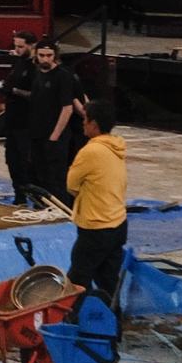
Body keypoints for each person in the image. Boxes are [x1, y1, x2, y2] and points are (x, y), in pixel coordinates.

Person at [64, 98, 128, 314]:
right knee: (108, 280)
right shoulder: (116, 148)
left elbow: (72, 185)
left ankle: (78, 321)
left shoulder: (90, 151)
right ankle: (111, 324)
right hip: (118, 224)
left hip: (96, 226)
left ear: (94, 124)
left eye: (85, 120)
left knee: (77, 279)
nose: (83, 123)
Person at [26, 40, 85, 203]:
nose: (46, 59)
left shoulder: (63, 75)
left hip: (55, 137)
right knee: (40, 175)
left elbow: (68, 108)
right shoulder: (37, 73)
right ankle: (43, 209)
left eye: (49, 56)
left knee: (56, 177)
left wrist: (54, 136)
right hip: (38, 134)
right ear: (36, 55)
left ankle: (61, 211)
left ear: (55, 55)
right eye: (42, 56)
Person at [1, 30, 37, 203]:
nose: (17, 50)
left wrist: (13, 91)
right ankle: (19, 196)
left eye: (21, 47)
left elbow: (35, 95)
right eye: (15, 46)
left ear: (32, 46)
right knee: (12, 160)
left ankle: (34, 197)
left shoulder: (36, 67)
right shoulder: (18, 63)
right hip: (12, 120)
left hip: (27, 122)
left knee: (25, 162)